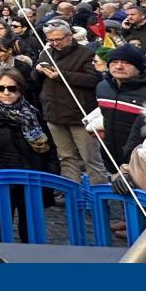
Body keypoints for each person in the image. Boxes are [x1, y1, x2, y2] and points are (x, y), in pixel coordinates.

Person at [0, 68, 57, 243]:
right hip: (0, 181)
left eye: (12, 88)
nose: (6, 92)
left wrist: (51, 176)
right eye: (0, 88)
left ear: (20, 89)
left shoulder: (32, 112)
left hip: (31, 179)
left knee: (31, 230)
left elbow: (48, 147)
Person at [33, 20, 104, 183]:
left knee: (91, 159)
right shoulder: (47, 52)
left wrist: (62, 75)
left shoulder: (86, 53)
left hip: (79, 115)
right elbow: (35, 81)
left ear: (70, 35)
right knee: (65, 157)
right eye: (50, 40)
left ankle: (98, 199)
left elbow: (94, 79)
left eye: (58, 39)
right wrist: (38, 70)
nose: (54, 43)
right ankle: (73, 196)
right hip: (54, 114)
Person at [95, 44, 146, 169]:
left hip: (141, 162)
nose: (119, 66)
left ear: (139, 67)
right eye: (114, 62)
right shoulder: (102, 87)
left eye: (126, 63)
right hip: (111, 159)